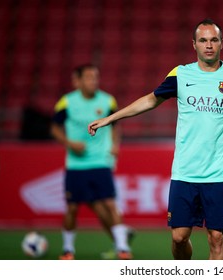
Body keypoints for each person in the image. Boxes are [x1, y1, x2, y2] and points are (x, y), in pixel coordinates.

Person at [88, 19, 223, 260]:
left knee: (217, 238)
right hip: (184, 172)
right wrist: (110, 118)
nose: (209, 45)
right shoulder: (181, 74)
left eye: (214, 40)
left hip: (218, 174)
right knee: (179, 237)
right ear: (194, 44)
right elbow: (151, 100)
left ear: (222, 43)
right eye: (203, 40)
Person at [51, 64, 133, 260]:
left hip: (101, 161)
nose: (93, 81)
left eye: (95, 77)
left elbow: (115, 126)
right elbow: (55, 128)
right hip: (76, 164)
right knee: (72, 207)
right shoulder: (67, 102)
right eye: (88, 77)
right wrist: (69, 143)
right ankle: (68, 249)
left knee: (110, 204)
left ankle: (122, 248)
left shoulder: (107, 101)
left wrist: (115, 145)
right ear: (77, 81)